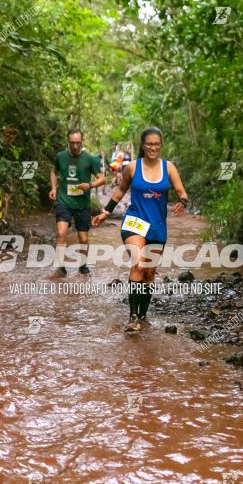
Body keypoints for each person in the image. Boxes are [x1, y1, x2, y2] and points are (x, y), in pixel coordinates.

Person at [91, 127, 189, 332]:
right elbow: (120, 191)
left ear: (160, 145)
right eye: (149, 144)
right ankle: (132, 316)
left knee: (150, 272)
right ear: (143, 145)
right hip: (135, 221)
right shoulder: (132, 168)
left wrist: (182, 201)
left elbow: (182, 191)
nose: (153, 147)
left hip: (157, 225)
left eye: (156, 144)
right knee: (139, 264)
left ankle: (143, 316)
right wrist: (105, 212)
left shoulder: (168, 167)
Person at [49, 129, 105, 276]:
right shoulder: (60, 156)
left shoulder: (89, 159)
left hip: (82, 204)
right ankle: (61, 267)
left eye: (77, 143)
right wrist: (54, 188)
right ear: (68, 141)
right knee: (61, 232)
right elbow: (54, 172)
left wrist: (90, 185)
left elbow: (102, 178)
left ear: (82, 142)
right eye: (72, 143)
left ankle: (83, 265)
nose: (75, 146)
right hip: (64, 200)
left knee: (83, 238)